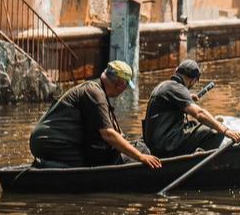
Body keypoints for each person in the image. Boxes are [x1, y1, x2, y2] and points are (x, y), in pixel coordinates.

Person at [29, 60, 161, 169]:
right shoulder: (94, 93)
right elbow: (108, 134)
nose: (124, 90)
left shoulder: (97, 91)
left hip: (50, 141)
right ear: (120, 85)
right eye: (125, 87)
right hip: (49, 142)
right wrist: (140, 156)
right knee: (86, 165)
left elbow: (111, 132)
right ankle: (43, 166)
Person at [143, 60, 240, 157]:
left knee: (197, 124)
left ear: (177, 71)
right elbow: (200, 114)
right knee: (215, 130)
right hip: (165, 146)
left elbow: (169, 104)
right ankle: (200, 159)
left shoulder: (165, 85)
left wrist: (187, 98)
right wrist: (226, 130)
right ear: (193, 80)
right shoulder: (178, 89)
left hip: (154, 144)